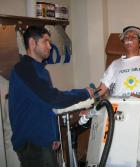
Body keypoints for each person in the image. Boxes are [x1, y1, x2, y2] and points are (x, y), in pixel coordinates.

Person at [8, 26, 94, 167]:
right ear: (32, 43)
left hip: (44, 142)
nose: (50, 46)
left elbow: (46, 106)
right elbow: (54, 99)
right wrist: (83, 93)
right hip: (32, 145)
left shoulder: (41, 71)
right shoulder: (24, 69)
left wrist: (53, 135)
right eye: (45, 41)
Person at [98, 26, 140, 101]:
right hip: (117, 107)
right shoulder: (114, 64)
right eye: (126, 37)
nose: (129, 39)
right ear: (123, 43)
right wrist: (88, 97)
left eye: (133, 37)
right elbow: (101, 89)